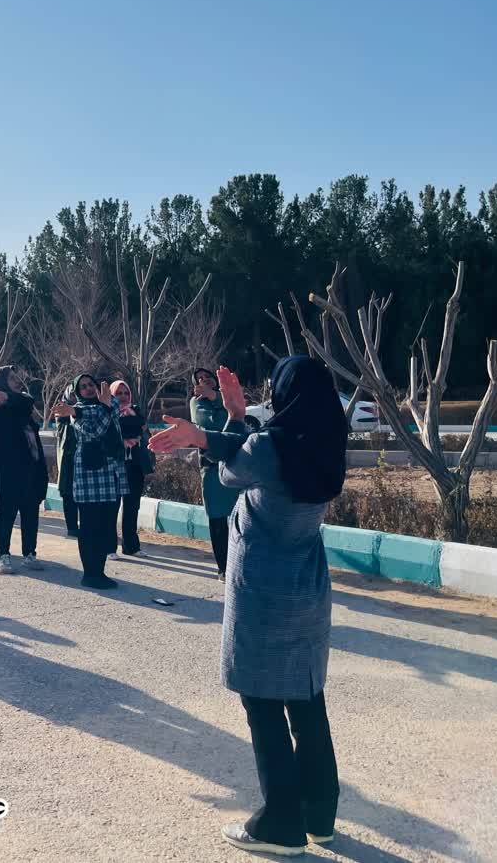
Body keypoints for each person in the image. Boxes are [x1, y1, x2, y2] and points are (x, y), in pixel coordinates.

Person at [149, 358, 346, 856]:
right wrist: (233, 422)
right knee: (306, 700)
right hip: (307, 589)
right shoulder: (325, 444)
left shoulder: (268, 447)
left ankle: (280, 822)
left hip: (263, 593)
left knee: (262, 702)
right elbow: (247, 454)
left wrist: (227, 423)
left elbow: (229, 473)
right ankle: (318, 812)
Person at [51, 375, 126, 589]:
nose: (88, 389)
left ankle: (99, 572)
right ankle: (90, 574)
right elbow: (94, 431)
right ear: (77, 392)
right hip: (88, 476)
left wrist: (104, 407)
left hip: (109, 474)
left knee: (104, 526)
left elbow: (113, 410)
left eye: (91, 384)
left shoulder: (104, 405)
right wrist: (92, 410)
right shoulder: (76, 411)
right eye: (83, 387)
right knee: (89, 527)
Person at [0, 365, 47, 574]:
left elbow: (28, 401)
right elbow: (2, 421)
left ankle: (30, 553)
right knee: (6, 513)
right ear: (1, 382)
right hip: (9, 469)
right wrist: (9, 399)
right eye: (11, 378)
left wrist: (11, 397)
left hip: (31, 467)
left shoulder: (19, 402)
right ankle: (3, 556)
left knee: (30, 512)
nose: (17, 381)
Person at [190, 367, 243, 578]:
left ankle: (240, 564)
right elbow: (216, 424)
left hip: (235, 465)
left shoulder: (225, 397)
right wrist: (222, 406)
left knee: (239, 517)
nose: (205, 381)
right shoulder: (196, 403)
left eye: (208, 377)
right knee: (218, 519)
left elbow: (236, 420)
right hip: (212, 468)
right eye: (199, 379)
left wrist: (215, 398)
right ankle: (224, 568)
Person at [109, 380, 153, 557]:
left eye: (125, 393)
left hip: (135, 466)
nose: (123, 396)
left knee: (132, 507)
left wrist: (131, 425)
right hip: (115, 465)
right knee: (112, 508)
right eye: (118, 393)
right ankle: (109, 547)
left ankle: (131, 546)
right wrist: (132, 426)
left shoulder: (136, 410)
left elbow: (140, 428)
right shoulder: (108, 412)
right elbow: (124, 430)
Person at [53, 381, 82, 538]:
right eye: (72, 393)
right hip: (68, 458)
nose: (75, 396)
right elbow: (64, 422)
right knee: (68, 493)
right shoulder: (62, 411)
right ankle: (72, 527)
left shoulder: (89, 408)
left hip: (83, 458)